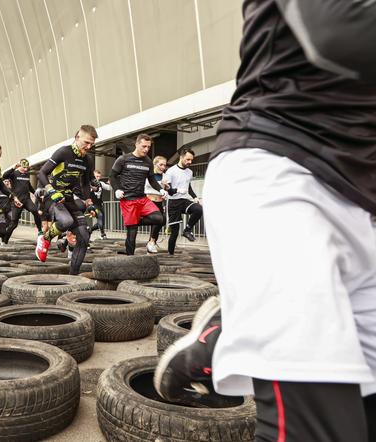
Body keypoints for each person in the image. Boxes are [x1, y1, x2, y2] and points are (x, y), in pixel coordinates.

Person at [155, 2, 376, 440]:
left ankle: (230, 335)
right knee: (324, 430)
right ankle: (246, 325)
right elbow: (335, 30)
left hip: (362, 193)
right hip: (280, 174)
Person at [35, 125, 96, 275]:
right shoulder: (64, 151)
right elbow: (41, 173)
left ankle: (72, 277)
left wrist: (89, 202)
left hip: (69, 200)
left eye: (92, 144)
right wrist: (51, 191)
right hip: (53, 197)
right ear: (77, 137)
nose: (88, 147)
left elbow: (85, 183)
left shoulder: (88, 159)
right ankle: (45, 238)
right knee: (66, 222)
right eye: (86, 142)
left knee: (83, 238)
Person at [110, 134, 166, 255]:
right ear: (136, 144)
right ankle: (129, 257)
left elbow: (151, 179)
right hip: (128, 199)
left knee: (159, 218)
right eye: (144, 146)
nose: (146, 149)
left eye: (148, 147)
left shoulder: (148, 161)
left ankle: (133, 221)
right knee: (132, 235)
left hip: (142, 198)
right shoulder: (123, 159)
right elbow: (112, 176)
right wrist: (116, 190)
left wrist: (160, 189)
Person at [162, 147, 203, 255]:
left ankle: (187, 230)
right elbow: (169, 191)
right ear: (181, 157)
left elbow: (188, 187)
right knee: (174, 232)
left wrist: (195, 197)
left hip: (184, 200)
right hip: (173, 202)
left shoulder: (189, 172)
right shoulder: (171, 171)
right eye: (188, 159)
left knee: (198, 209)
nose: (190, 162)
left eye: (191, 160)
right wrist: (178, 190)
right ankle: (170, 254)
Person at [2, 158, 42, 241]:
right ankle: (4, 240)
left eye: (27, 168)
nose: (26, 169)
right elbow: (4, 176)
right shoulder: (14, 173)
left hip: (26, 199)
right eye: (24, 168)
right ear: (20, 166)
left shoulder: (27, 174)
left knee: (35, 211)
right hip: (17, 201)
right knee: (14, 224)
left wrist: (35, 193)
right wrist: (13, 168)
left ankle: (40, 231)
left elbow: (29, 186)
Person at [145, 156, 168, 253]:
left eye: (164, 165)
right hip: (149, 201)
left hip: (159, 202)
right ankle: (151, 242)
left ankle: (151, 242)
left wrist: (167, 188)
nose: (163, 167)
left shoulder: (165, 176)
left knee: (161, 221)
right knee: (158, 220)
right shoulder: (149, 174)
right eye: (161, 164)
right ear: (155, 164)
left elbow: (167, 190)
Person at [89, 170, 111, 240]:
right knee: (100, 216)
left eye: (99, 177)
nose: (98, 178)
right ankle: (103, 234)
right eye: (96, 176)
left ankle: (89, 230)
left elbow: (109, 188)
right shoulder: (89, 184)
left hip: (100, 205)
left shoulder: (101, 183)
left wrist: (111, 183)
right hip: (92, 206)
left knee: (101, 223)